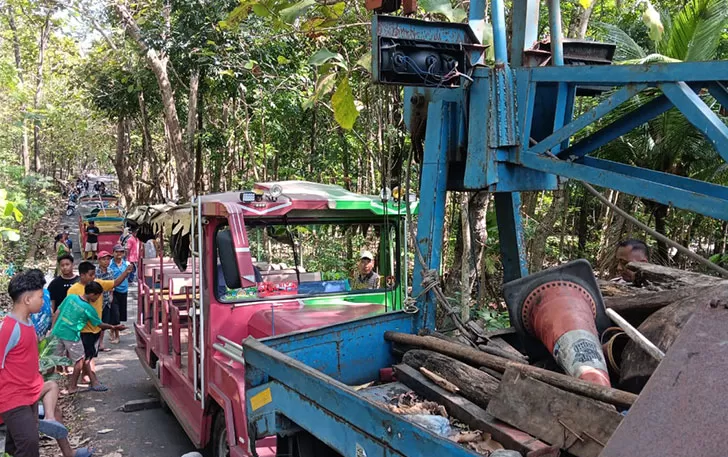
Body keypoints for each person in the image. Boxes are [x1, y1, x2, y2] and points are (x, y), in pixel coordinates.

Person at [0, 269, 90, 457]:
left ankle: (51, 422)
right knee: (29, 445)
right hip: (14, 399)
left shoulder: (28, 322)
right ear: (27, 300)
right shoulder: (9, 328)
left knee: (16, 446)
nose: (44, 301)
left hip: (30, 393)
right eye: (41, 297)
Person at [64, 261, 132, 392]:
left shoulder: (98, 284)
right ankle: (91, 382)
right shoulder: (73, 291)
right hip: (82, 329)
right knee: (86, 358)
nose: (93, 277)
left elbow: (115, 283)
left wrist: (126, 272)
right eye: (90, 275)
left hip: (95, 328)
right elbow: (69, 309)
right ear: (82, 275)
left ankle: (84, 378)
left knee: (88, 356)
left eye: (94, 274)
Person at [52, 282, 125, 394]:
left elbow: (57, 311)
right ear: (92, 294)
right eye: (97, 296)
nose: (98, 298)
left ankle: (50, 387)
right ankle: (72, 387)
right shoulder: (88, 308)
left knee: (52, 360)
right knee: (80, 359)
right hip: (71, 335)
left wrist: (52, 328)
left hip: (57, 331)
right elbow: (100, 325)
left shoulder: (71, 297)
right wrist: (114, 327)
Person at [109, 245, 131, 336]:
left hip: (124, 291)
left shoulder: (126, 264)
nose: (119, 254)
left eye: (121, 252)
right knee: (115, 314)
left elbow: (129, 277)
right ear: (113, 253)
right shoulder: (110, 264)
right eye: (117, 252)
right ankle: (116, 335)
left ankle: (112, 330)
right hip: (113, 291)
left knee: (120, 314)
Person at [95, 251, 115, 351]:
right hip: (96, 302)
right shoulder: (95, 272)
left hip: (106, 301)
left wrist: (111, 295)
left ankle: (101, 343)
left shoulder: (110, 271)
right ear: (99, 260)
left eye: (108, 259)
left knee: (104, 324)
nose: (106, 261)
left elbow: (112, 285)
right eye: (104, 259)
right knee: (95, 323)